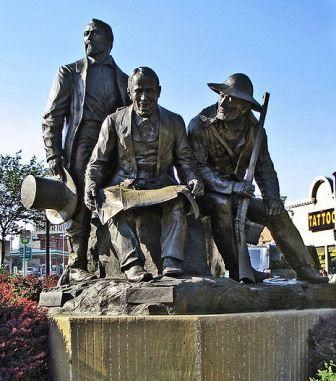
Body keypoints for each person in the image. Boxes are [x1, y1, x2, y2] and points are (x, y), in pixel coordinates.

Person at [188, 73, 328, 284]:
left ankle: (304, 268)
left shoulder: (256, 132)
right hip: (207, 195)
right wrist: (232, 186)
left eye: (231, 98)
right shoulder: (200, 124)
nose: (223, 102)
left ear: (244, 107)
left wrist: (272, 197)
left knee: (276, 213)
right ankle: (238, 269)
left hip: (239, 195)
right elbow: (199, 169)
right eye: (222, 96)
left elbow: (265, 170)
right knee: (221, 204)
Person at [85, 67, 203, 282]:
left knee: (179, 201)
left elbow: (185, 161)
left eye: (149, 91)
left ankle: (172, 261)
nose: (144, 97)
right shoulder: (113, 121)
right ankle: (132, 264)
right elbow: (98, 162)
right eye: (138, 91)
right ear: (129, 92)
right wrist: (91, 183)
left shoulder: (174, 121)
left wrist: (192, 178)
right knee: (110, 206)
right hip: (126, 187)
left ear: (159, 91)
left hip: (162, 185)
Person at [42, 19, 130, 282]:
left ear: (109, 41)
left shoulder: (125, 79)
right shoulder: (68, 72)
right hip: (83, 139)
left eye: (94, 33)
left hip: (114, 143)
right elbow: (52, 116)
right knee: (78, 200)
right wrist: (52, 153)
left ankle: (121, 259)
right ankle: (77, 263)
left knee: (115, 197)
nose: (87, 37)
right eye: (85, 33)